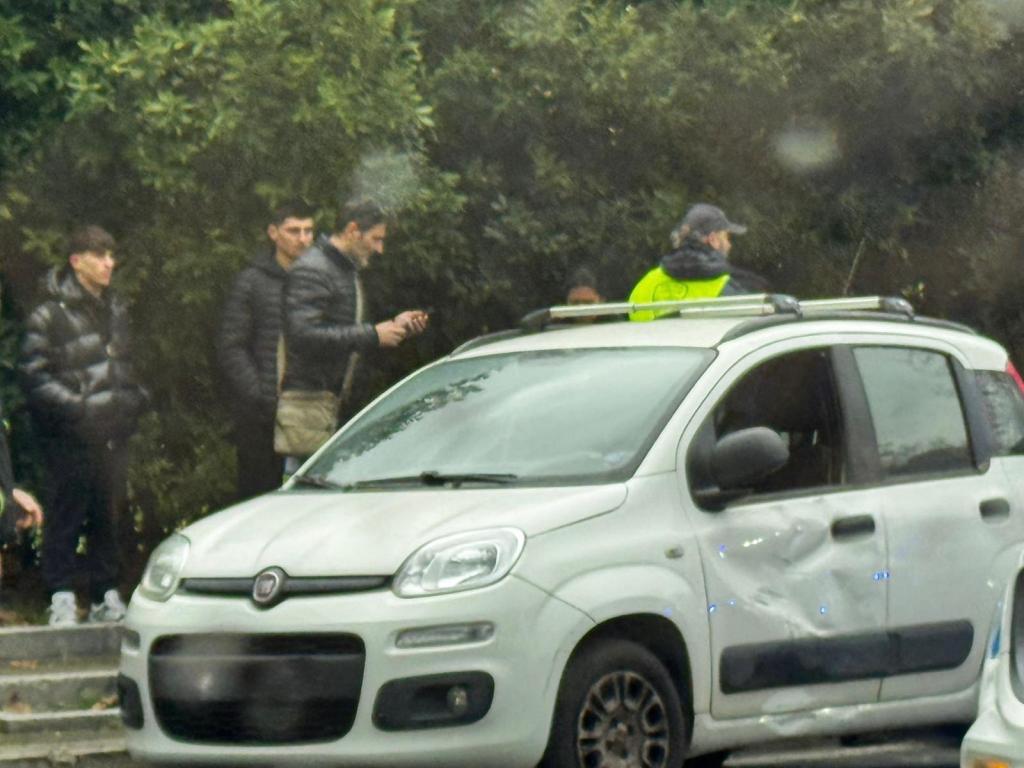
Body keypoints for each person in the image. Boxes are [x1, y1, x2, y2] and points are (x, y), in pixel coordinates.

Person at [19, 225, 147, 626]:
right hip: (68, 435)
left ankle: (103, 595)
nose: (109, 263)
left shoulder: (116, 310)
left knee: (107, 513)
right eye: (99, 255)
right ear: (77, 261)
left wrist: (134, 400)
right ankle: (59, 596)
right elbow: (34, 377)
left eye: (112, 255)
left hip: (112, 434)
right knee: (66, 514)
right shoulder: (49, 314)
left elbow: (128, 367)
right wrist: (80, 409)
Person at [279, 199, 427, 471]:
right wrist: (372, 335)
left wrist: (395, 325)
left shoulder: (341, 269)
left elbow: (342, 329)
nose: (380, 248)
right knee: (309, 500)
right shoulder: (314, 269)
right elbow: (303, 336)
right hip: (310, 406)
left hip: (330, 405)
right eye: (376, 239)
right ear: (353, 230)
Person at [217, 200, 315, 500]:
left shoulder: (317, 279)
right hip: (262, 420)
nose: (303, 239)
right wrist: (261, 395)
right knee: (259, 500)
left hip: (310, 409)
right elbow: (230, 346)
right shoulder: (251, 281)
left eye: (309, 231)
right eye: (293, 230)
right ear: (273, 232)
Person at [628, 203, 767, 321]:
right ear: (713, 239)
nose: (729, 244)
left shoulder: (646, 285)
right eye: (726, 237)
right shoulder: (730, 290)